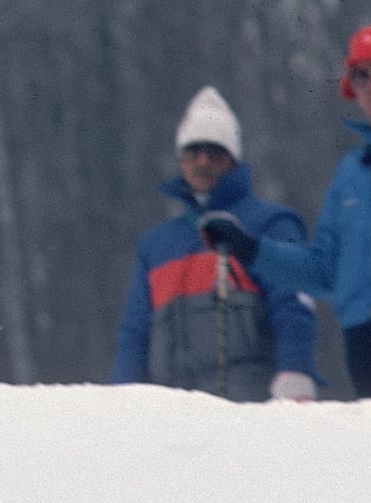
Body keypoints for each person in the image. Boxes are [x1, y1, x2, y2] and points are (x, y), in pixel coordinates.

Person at [202, 25, 371, 419]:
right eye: (362, 75)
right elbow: (324, 272)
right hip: (362, 329)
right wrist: (251, 247)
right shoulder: (351, 170)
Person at [112, 86, 319, 402]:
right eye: (193, 152)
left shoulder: (270, 224)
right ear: (181, 160)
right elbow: (135, 334)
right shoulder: (156, 245)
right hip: (170, 413)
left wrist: (296, 369)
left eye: (215, 152)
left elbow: (292, 303)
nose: (203, 161)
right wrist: (123, 396)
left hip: (248, 405)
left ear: (233, 159)